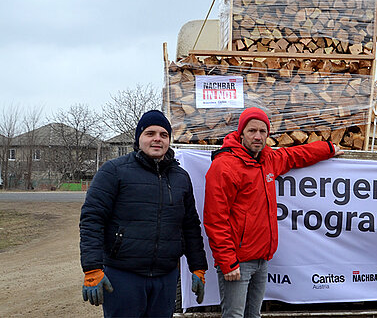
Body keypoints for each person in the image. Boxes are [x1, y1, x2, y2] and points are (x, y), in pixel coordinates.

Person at [203, 107, 343, 318]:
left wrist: (328, 148)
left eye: (262, 131)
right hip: (237, 261)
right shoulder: (225, 166)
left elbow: (297, 155)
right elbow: (215, 219)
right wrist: (228, 261)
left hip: (262, 258)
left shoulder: (267, 160)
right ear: (241, 133)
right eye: (252, 131)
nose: (257, 136)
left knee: (254, 315)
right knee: (234, 316)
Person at [79, 110, 208, 317]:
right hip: (123, 276)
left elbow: (190, 225)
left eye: (163, 135)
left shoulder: (181, 177)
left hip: (165, 277)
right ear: (139, 138)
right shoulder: (113, 171)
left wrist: (198, 266)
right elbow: (92, 220)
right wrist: (92, 268)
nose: (157, 139)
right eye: (150, 133)